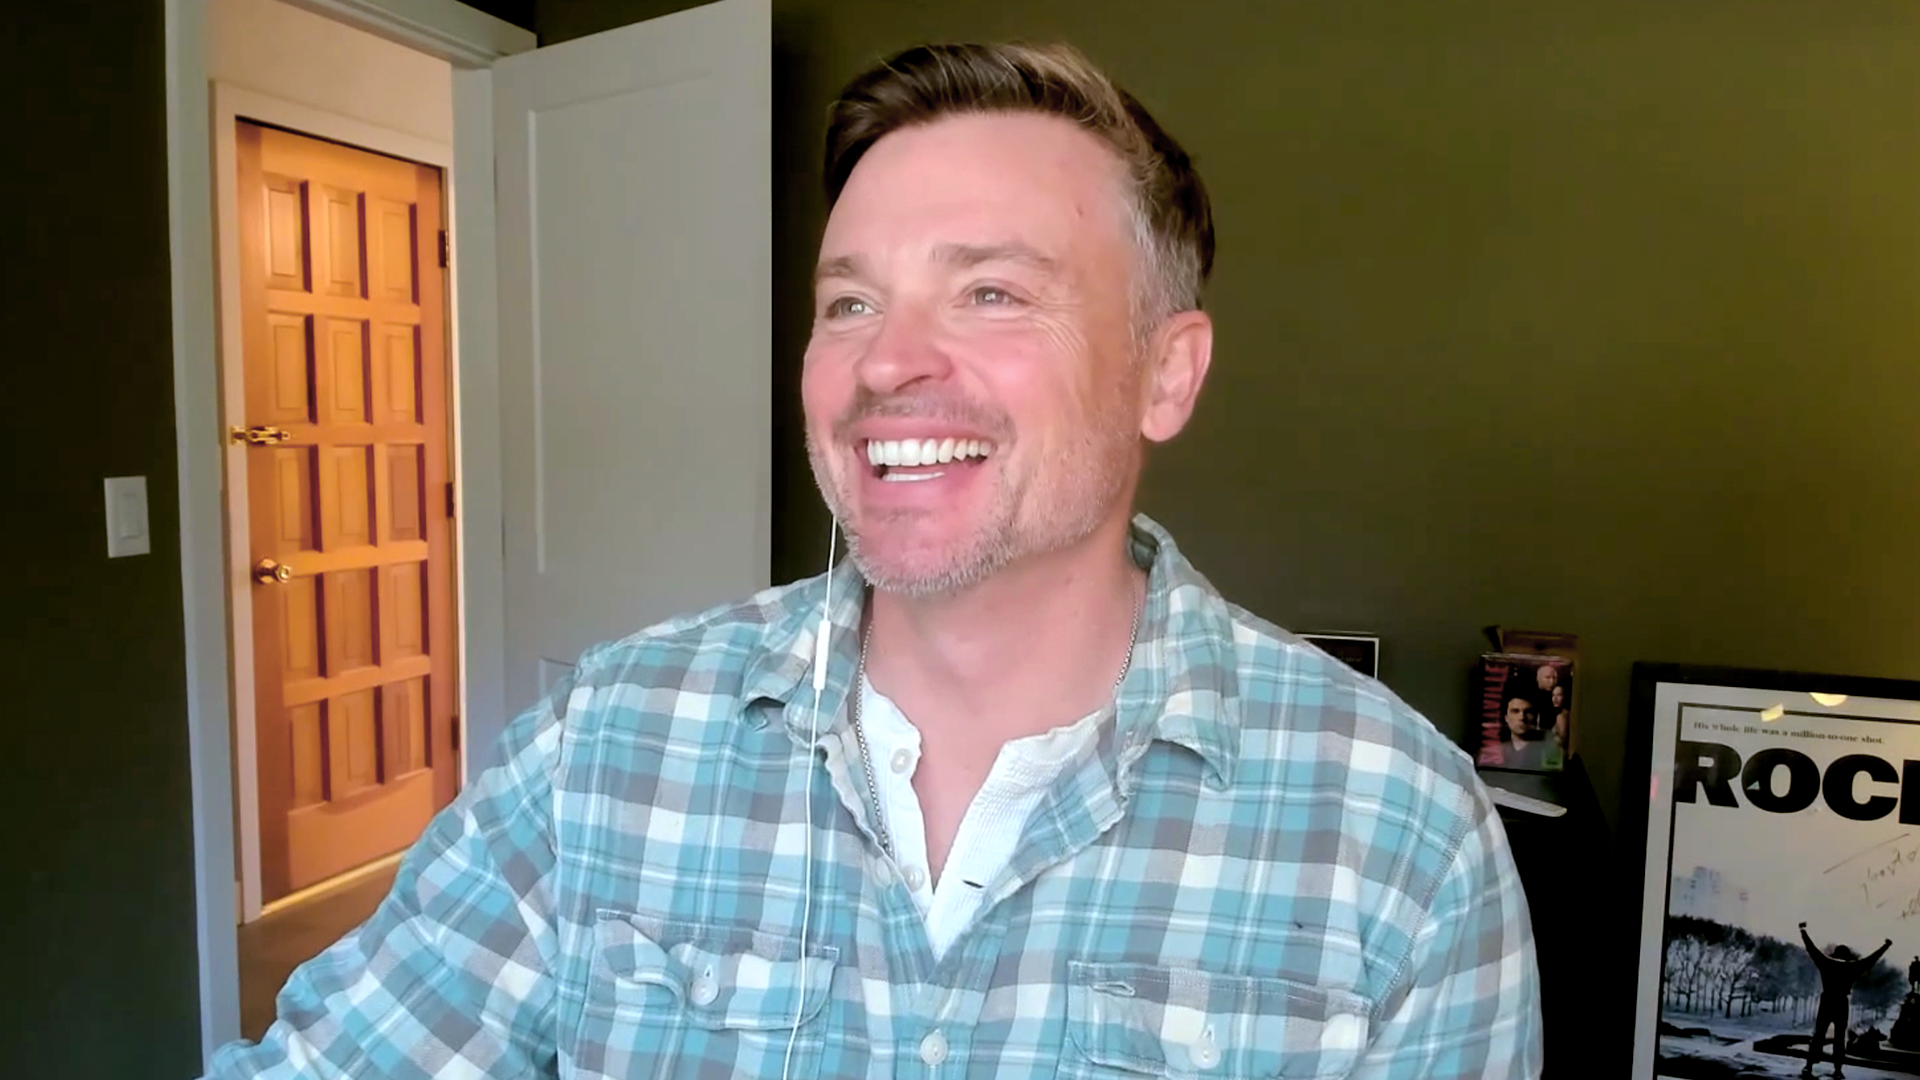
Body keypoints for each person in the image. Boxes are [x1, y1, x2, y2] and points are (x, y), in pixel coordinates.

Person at [202, 41, 1541, 1079]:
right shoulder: (603, 750)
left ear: (1165, 373)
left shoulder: (1397, 837)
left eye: (990, 292)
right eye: (849, 301)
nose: (886, 362)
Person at [1800, 922, 1893, 1078]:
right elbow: (1871, 960)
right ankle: (1837, 1069)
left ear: (1835, 954)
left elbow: (1812, 949)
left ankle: (1809, 1066)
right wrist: (1885, 946)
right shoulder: (1852, 967)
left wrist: (1803, 932)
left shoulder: (1826, 963)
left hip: (1827, 1000)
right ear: (1848, 956)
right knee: (1839, 1038)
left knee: (1818, 1035)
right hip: (1841, 1003)